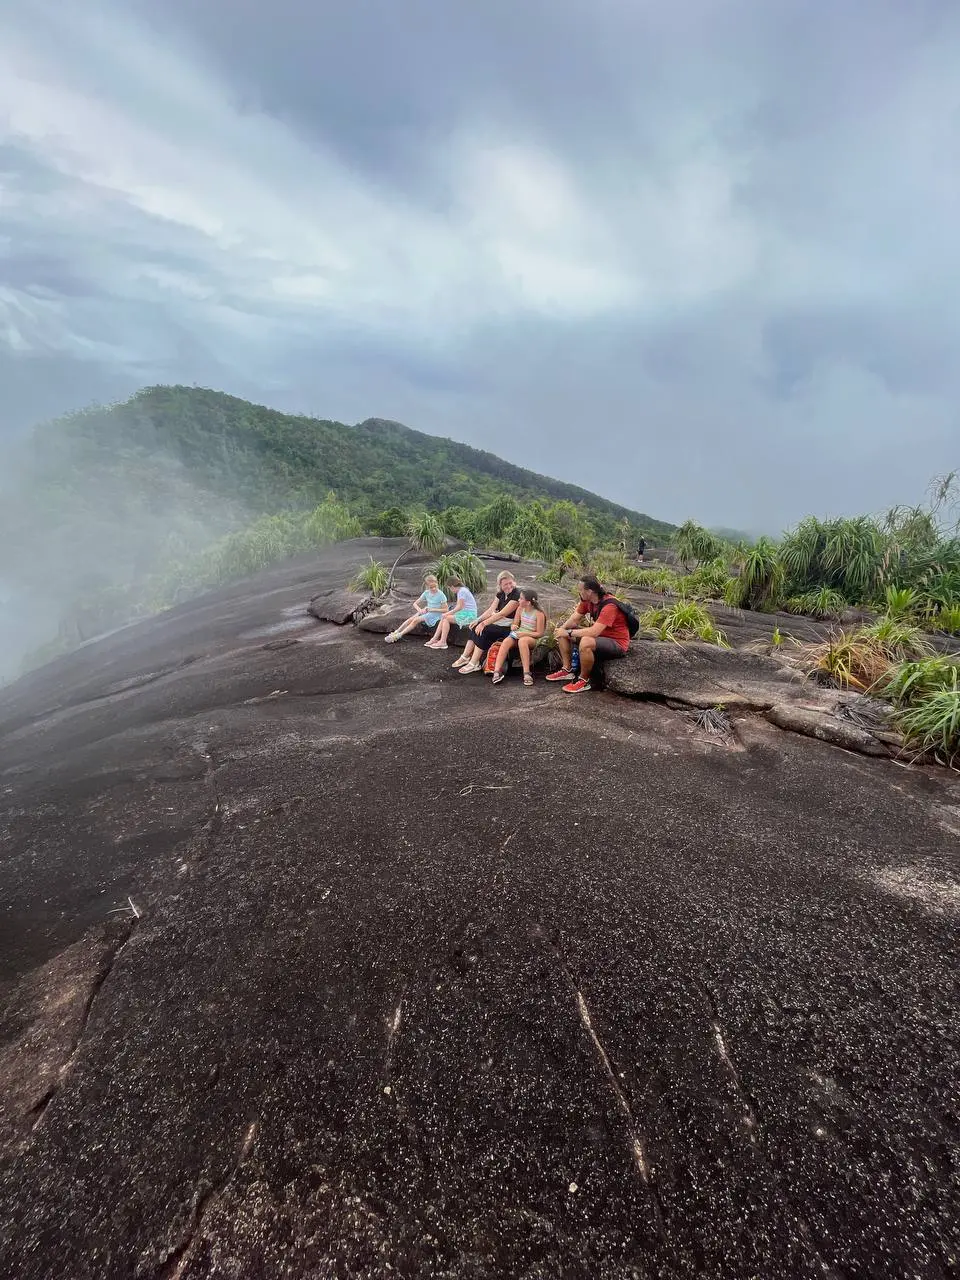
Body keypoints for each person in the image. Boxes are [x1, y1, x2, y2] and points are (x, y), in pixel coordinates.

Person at [545, 574, 630, 693]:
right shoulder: (587, 601)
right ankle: (567, 670)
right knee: (562, 633)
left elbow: (594, 632)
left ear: (589, 591)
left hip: (617, 643)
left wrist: (568, 632)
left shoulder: (610, 605)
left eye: (580, 590)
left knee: (585, 641)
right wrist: (561, 630)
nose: (579, 592)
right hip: (601, 638)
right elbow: (574, 619)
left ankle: (584, 680)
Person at [452, 570, 520, 673]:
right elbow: (491, 610)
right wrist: (478, 620)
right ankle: (465, 656)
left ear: (514, 582)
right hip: (499, 622)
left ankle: (474, 663)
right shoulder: (500, 594)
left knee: (484, 629)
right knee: (474, 626)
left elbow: (502, 614)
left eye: (511, 583)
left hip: (509, 627)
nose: (509, 586)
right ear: (500, 585)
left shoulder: (516, 595)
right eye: (505, 584)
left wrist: (484, 623)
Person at [490, 588, 546, 686]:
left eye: (521, 599)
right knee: (506, 641)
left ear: (528, 602)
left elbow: (540, 633)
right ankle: (497, 671)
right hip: (519, 633)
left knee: (522, 641)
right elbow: (515, 622)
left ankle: (526, 672)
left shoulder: (539, 614)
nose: (518, 600)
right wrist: (514, 626)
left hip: (531, 637)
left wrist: (524, 634)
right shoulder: (520, 609)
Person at [384, 575, 449, 643]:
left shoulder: (441, 595)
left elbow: (446, 610)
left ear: (437, 583)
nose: (433, 589)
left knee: (416, 620)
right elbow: (415, 603)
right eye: (431, 587)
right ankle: (396, 632)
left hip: (436, 614)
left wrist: (432, 609)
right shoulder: (426, 593)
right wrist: (420, 610)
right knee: (411, 619)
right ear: (427, 586)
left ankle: (398, 635)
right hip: (428, 611)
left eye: (435, 586)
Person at [426, 576, 478, 650]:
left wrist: (448, 613)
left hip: (469, 615)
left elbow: (459, 607)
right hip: (465, 613)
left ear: (452, 586)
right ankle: (435, 638)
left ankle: (443, 642)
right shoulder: (462, 590)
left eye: (449, 588)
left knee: (446, 618)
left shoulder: (462, 591)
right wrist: (448, 614)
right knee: (444, 617)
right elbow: (460, 607)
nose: (450, 590)